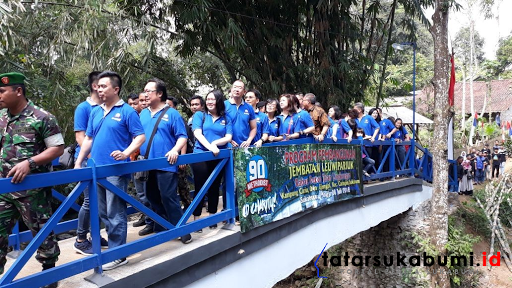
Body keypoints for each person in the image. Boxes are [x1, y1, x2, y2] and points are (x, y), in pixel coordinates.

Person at [74, 71, 146, 271]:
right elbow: (88, 139)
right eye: (98, 86)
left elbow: (139, 137)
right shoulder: (96, 111)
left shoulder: (127, 112)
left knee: (116, 212)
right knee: (103, 212)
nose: (99, 89)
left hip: (115, 171)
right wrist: (79, 162)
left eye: (103, 86)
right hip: (95, 170)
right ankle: (115, 247)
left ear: (116, 89)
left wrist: (125, 153)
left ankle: (118, 254)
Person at [0, 72, 64, 286]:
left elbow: (57, 148)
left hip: (32, 192)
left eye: (2, 91)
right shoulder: (1, 118)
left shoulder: (42, 117)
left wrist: (30, 163)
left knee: (41, 233)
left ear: (18, 91)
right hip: (4, 190)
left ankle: (49, 274)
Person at [138, 78, 192, 244]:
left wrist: (175, 150)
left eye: (149, 91)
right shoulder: (143, 113)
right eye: (145, 91)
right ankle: (162, 228)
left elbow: (182, 136)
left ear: (159, 94)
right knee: (151, 196)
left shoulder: (172, 114)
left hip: (166, 164)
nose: (145, 94)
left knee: (169, 197)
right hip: (147, 163)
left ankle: (183, 231)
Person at [73, 71, 109, 255]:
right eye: (102, 84)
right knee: (89, 201)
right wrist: (90, 157)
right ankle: (80, 239)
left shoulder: (106, 108)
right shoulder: (83, 108)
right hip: (88, 162)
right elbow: (81, 137)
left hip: (102, 162)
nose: (104, 87)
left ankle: (95, 235)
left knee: (100, 202)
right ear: (95, 86)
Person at [191, 90, 233, 231]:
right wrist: (210, 147)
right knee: (200, 186)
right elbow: (198, 134)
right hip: (200, 155)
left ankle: (212, 217)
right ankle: (196, 219)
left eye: (212, 99)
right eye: (208, 99)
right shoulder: (200, 115)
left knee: (215, 186)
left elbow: (228, 137)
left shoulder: (226, 118)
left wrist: (215, 144)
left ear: (219, 101)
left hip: (218, 156)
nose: (209, 102)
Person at [225, 80, 256, 147]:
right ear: (231, 89)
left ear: (244, 92)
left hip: (244, 146)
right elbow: (219, 126)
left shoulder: (249, 107)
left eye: (240, 88)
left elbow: (253, 128)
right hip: (227, 145)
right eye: (235, 87)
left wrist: (248, 141)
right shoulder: (223, 105)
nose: (237, 90)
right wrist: (229, 140)